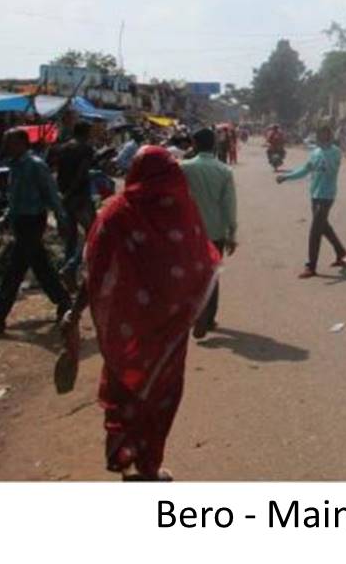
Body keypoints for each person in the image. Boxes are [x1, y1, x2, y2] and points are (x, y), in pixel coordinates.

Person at [66, 146, 220, 480]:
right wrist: (201, 315)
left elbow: (94, 270)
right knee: (160, 395)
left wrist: (75, 310)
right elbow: (200, 266)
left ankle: (125, 456)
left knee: (126, 387)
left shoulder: (115, 213)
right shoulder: (183, 211)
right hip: (169, 331)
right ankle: (148, 466)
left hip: (127, 328)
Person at [0, 129, 72, 335]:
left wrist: (61, 218)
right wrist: (6, 218)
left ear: (22, 143)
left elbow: (51, 194)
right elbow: (15, 197)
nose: (6, 146)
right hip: (20, 220)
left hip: (32, 220)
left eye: (9, 142)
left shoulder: (36, 166)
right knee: (40, 266)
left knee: (14, 270)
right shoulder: (15, 166)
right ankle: (64, 302)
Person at [181, 128, 238, 338]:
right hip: (215, 231)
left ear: (194, 144)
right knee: (212, 275)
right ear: (214, 144)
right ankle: (209, 317)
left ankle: (195, 313)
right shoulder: (224, 171)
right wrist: (232, 233)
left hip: (189, 230)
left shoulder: (184, 168)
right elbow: (229, 205)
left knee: (190, 273)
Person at [277, 124, 346, 278]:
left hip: (327, 196)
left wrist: (325, 153)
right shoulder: (315, 152)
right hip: (315, 194)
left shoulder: (335, 152)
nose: (323, 137)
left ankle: (311, 266)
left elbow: (332, 170)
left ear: (330, 135)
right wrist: (286, 176)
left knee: (315, 230)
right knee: (324, 227)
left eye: (326, 134)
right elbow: (305, 170)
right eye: (321, 134)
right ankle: (341, 253)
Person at [55, 121, 97, 272]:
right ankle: (73, 264)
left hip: (66, 194)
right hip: (79, 195)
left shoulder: (63, 148)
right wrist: (72, 191)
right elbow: (82, 173)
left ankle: (68, 262)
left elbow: (58, 172)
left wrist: (64, 194)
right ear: (86, 133)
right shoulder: (86, 149)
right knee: (93, 231)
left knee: (71, 235)